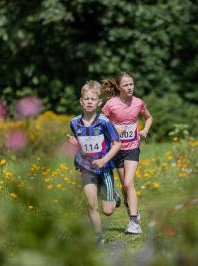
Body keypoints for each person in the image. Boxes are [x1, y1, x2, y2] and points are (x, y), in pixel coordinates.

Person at [67, 81, 121, 244]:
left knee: (108, 211)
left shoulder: (104, 122)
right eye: (86, 99)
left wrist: (104, 159)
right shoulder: (74, 122)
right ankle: (99, 236)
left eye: (93, 99)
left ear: (99, 102)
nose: (90, 102)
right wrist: (76, 144)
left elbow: (117, 143)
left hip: (104, 169)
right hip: (86, 167)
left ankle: (114, 197)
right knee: (91, 204)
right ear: (81, 101)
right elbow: (80, 142)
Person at [102, 72, 153, 234]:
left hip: (132, 148)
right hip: (116, 149)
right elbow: (100, 122)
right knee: (125, 186)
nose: (129, 87)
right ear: (118, 87)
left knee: (128, 183)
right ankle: (133, 210)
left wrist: (145, 129)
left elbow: (149, 117)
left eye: (131, 84)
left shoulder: (138, 103)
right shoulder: (111, 104)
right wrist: (113, 128)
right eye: (125, 85)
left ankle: (134, 223)